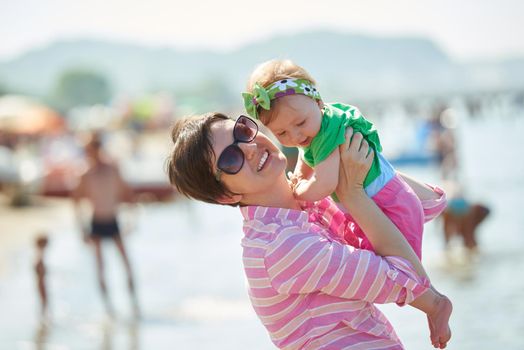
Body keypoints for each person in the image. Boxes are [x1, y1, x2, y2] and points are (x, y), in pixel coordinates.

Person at [166, 113, 452, 349]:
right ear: (226, 196)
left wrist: (348, 158)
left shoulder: (306, 200)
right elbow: (405, 279)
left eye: (242, 131)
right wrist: (351, 193)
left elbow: (426, 205)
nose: (249, 147)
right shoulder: (281, 246)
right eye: (230, 160)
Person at [242, 59, 444, 261]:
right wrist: (299, 174)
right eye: (281, 133)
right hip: (381, 203)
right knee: (388, 271)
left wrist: (297, 189)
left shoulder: (328, 134)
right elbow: (306, 153)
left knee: (402, 274)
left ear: (318, 102)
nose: (295, 136)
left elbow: (324, 185)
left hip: (390, 208)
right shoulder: (320, 124)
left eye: (300, 123)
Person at [72, 133, 139, 316]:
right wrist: (81, 228)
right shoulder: (86, 173)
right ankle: (108, 309)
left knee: (126, 263)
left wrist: (132, 218)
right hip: (97, 220)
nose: (88, 153)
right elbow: (76, 200)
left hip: (112, 219)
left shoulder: (112, 168)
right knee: (100, 266)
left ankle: (134, 305)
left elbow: (127, 192)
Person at [34, 234, 49, 318]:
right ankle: (43, 318)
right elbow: (38, 267)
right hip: (41, 281)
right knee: (44, 300)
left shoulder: (39, 253)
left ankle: (43, 317)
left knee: (43, 300)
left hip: (40, 281)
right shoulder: (40, 254)